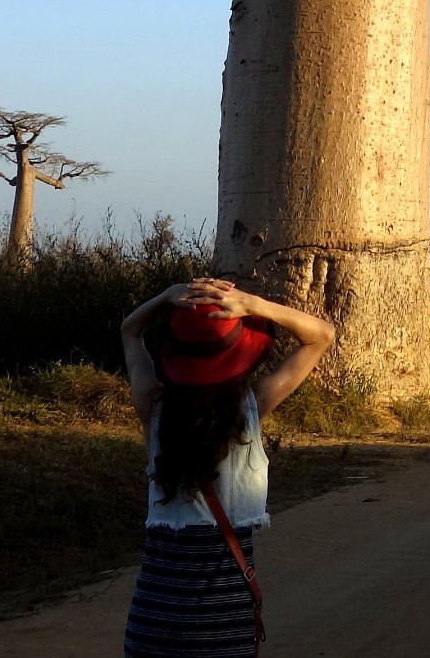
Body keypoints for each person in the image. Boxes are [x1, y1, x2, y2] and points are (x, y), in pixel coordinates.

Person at [121, 276, 334, 657]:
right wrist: (254, 304)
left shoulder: (153, 409)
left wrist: (169, 297)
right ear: (237, 356)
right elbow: (321, 336)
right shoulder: (250, 410)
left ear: (176, 354)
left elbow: (130, 331)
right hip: (223, 624)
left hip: (152, 621)